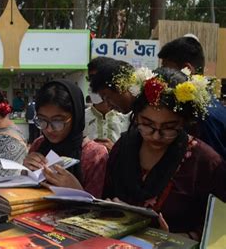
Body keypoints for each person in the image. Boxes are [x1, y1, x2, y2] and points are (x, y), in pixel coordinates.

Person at [103, 67, 226, 239]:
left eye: (169, 128)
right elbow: (106, 196)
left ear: (184, 123)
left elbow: (218, 232)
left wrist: (171, 239)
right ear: (136, 116)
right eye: (147, 124)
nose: (156, 135)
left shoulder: (206, 163)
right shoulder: (124, 147)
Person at [22, 80, 109, 197]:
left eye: (58, 121)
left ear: (76, 117)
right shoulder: (39, 144)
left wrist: (76, 190)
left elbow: (100, 207)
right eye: (42, 120)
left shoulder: (94, 154)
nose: (49, 129)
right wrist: (25, 171)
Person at [158, 36, 226, 160]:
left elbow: (212, 168)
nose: (163, 77)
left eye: (166, 69)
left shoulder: (202, 116)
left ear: (187, 70)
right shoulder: (204, 107)